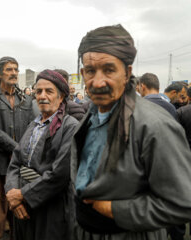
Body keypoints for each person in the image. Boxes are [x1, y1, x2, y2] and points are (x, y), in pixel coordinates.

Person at [71, 24, 191, 240]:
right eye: (90, 71)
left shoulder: (155, 125)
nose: (98, 82)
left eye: (109, 70)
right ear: (82, 74)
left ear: (127, 73)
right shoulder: (90, 116)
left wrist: (114, 210)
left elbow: (182, 203)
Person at [5, 69, 78, 240]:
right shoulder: (34, 124)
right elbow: (15, 163)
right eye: (38, 91)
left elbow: (60, 174)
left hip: (51, 208)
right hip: (22, 206)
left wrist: (23, 195)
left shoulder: (70, 127)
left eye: (49, 91)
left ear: (61, 97)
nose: (42, 96)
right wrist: (13, 196)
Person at [0, 56, 34, 240]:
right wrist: (16, 148)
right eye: (9, 69)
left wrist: (21, 152)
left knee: (20, 214)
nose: (13, 73)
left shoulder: (25, 100)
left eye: (16, 69)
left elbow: (32, 127)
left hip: (21, 168)